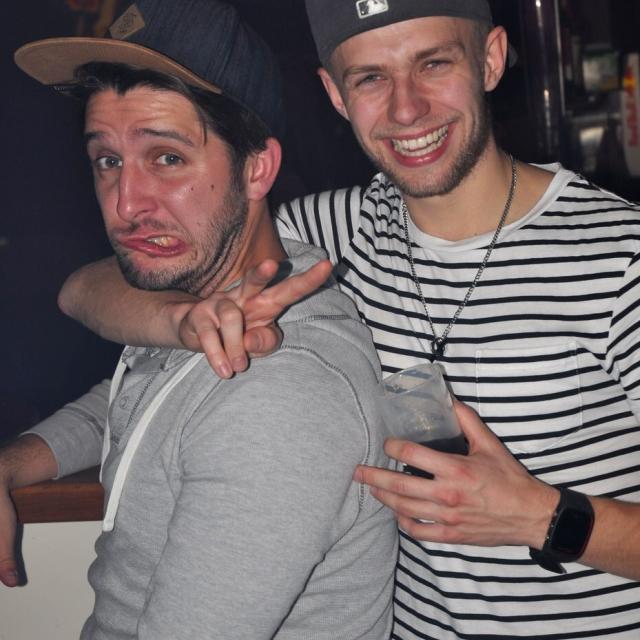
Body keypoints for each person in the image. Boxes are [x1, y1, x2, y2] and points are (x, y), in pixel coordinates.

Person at [51, 0, 640, 638]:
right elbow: (91, 286)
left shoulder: (619, 258)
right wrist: (182, 322)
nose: (406, 109)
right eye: (371, 78)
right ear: (336, 94)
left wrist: (544, 517)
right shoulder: (335, 233)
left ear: (491, 60)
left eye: (434, 64)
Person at [0, 1, 402, 638]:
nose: (126, 203)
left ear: (257, 168)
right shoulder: (214, 300)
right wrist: (14, 461)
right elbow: (141, 401)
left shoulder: (276, 396)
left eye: (166, 158)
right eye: (108, 160)